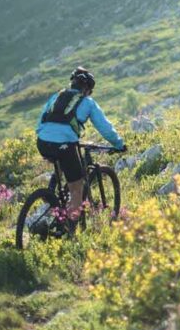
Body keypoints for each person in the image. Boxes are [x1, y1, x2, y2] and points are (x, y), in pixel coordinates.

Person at [36, 67, 125, 222]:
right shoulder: (88, 102)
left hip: (42, 141)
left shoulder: (57, 96)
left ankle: (52, 195)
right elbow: (104, 127)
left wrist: (49, 135)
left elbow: (41, 120)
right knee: (77, 186)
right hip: (63, 143)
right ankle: (71, 227)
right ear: (87, 90)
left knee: (63, 161)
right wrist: (118, 144)